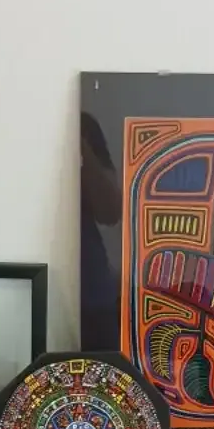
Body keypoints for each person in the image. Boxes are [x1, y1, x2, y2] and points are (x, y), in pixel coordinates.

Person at [80, 111, 122, 350]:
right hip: (28, 282)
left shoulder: (81, 124)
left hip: (93, 292)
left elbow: (110, 211)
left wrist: (81, 148)